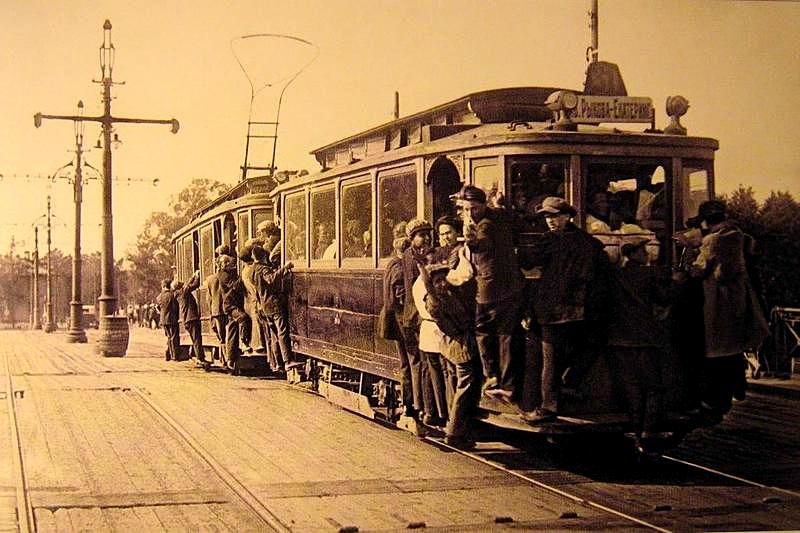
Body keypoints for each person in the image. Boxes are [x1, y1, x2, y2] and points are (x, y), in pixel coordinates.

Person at [524, 196, 609, 424]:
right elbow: (603, 268)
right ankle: (570, 383)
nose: (550, 221)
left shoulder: (548, 241)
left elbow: (528, 262)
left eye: (554, 216)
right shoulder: (589, 242)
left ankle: (547, 407)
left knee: (549, 359)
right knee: (590, 346)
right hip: (582, 309)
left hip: (553, 309)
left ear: (567, 216)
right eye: (546, 217)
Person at [687, 200, 769, 419]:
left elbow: (698, 270)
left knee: (714, 350)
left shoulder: (713, 240)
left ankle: (713, 397)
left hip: (717, 303)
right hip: (737, 302)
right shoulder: (738, 236)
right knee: (731, 349)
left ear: (705, 221)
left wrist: (688, 254)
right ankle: (735, 385)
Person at [453, 185, 524, 403]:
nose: (470, 214)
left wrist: (469, 238)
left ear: (483, 205)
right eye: (465, 210)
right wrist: (499, 203)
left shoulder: (483, 225)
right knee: (506, 336)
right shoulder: (498, 215)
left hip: (490, 290)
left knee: (483, 332)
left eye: (473, 209)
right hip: (512, 287)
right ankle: (508, 385)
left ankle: (491, 376)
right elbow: (503, 214)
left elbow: (482, 242)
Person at [607, 238, 673, 450]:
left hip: (618, 339)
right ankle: (649, 428)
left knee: (631, 386)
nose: (647, 253)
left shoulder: (615, 275)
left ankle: (635, 431)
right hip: (644, 338)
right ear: (635, 253)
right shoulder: (648, 274)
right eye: (644, 250)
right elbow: (663, 299)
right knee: (654, 386)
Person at [421, 262, 481, 449]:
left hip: (455, 345)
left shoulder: (447, 295)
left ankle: (460, 429)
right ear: (431, 284)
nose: (443, 283)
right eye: (437, 281)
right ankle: (454, 432)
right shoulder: (435, 301)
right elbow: (453, 324)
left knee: (460, 386)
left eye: (443, 279)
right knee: (464, 387)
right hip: (458, 346)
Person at [398, 218, 434, 419]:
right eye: (422, 235)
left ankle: (421, 405)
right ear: (412, 238)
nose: (427, 238)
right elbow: (415, 289)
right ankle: (422, 406)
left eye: (428, 234)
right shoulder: (413, 258)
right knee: (421, 363)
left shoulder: (414, 254)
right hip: (416, 316)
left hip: (415, 316)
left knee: (420, 363)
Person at [378, 236, 415, 417]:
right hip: (401, 322)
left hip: (396, 321)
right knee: (409, 363)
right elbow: (400, 295)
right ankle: (410, 404)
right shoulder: (400, 267)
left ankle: (409, 403)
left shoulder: (392, 264)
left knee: (406, 363)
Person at [252, 244, 295, 373]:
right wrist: (284, 268)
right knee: (282, 332)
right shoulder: (263, 269)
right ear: (264, 256)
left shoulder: (253, 270)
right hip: (273, 304)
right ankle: (287, 361)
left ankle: (278, 363)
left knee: (274, 335)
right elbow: (271, 279)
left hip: (264, 306)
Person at [219, 254, 250, 371]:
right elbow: (234, 286)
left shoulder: (227, 273)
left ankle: (230, 360)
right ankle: (243, 342)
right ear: (225, 264)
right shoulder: (223, 275)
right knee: (242, 318)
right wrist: (242, 276)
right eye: (230, 263)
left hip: (232, 304)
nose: (232, 265)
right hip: (230, 306)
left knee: (232, 332)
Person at [173, 271, 209, 369]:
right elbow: (194, 285)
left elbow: (187, 284)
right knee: (197, 340)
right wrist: (197, 276)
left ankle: (199, 357)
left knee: (195, 339)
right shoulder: (184, 292)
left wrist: (193, 275)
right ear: (179, 287)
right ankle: (200, 359)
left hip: (187, 320)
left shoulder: (179, 293)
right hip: (191, 319)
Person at [239, 240, 268, 354]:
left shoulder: (245, 270)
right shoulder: (252, 270)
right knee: (258, 323)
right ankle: (260, 345)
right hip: (256, 301)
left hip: (251, 301)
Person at [206, 255, 228, 367]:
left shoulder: (210, 279)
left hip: (216, 310)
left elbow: (208, 298)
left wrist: (211, 312)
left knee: (221, 336)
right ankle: (227, 359)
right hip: (227, 309)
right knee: (228, 334)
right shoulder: (226, 277)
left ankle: (224, 359)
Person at [156, 279, 179, 361]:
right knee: (173, 337)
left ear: (163, 286)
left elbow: (157, 307)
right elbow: (175, 308)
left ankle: (168, 353)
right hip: (171, 318)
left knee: (169, 337)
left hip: (163, 320)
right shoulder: (172, 295)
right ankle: (174, 355)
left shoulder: (159, 296)